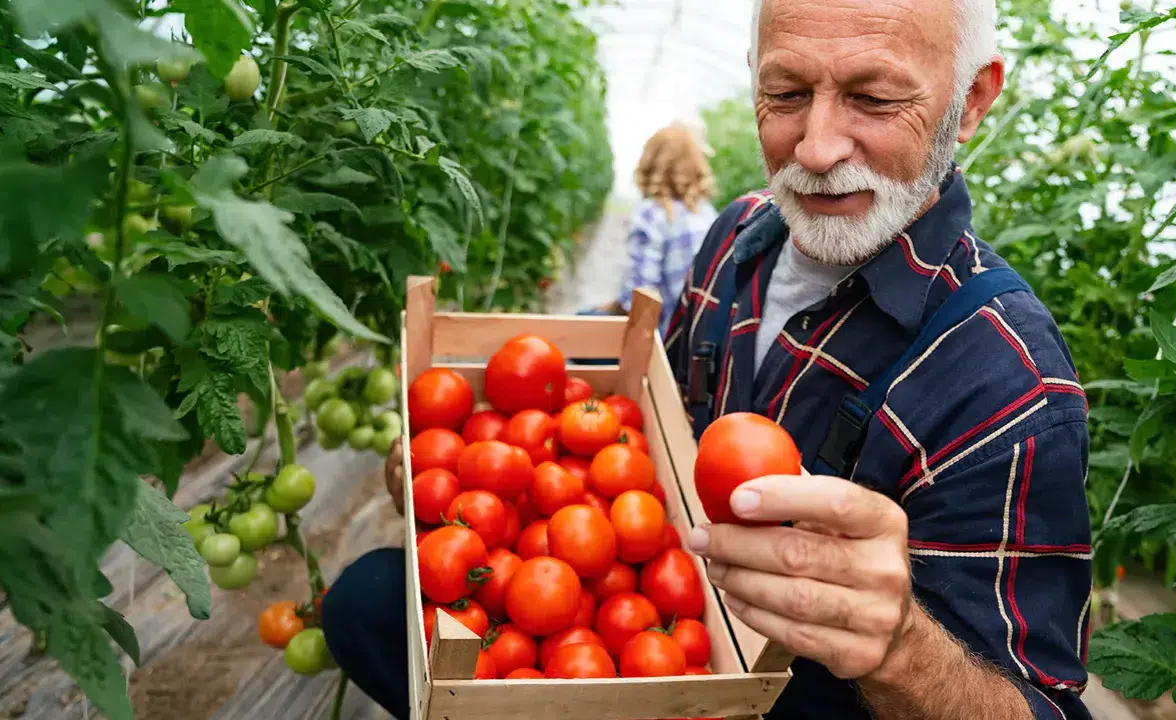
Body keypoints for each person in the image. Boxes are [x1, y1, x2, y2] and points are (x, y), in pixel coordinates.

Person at [322, 1, 1093, 718]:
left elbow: (1043, 704)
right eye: (785, 93)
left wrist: (900, 646)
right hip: (659, 620)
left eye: (875, 98)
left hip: (795, 689)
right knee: (362, 602)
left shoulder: (1010, 383)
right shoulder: (742, 232)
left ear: (973, 100)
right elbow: (652, 417)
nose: (817, 149)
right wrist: (451, 462)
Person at [584, 122, 720, 334]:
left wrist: (612, 308)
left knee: (580, 323)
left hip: (663, 344)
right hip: (700, 340)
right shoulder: (708, 214)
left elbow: (639, 297)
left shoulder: (651, 214)